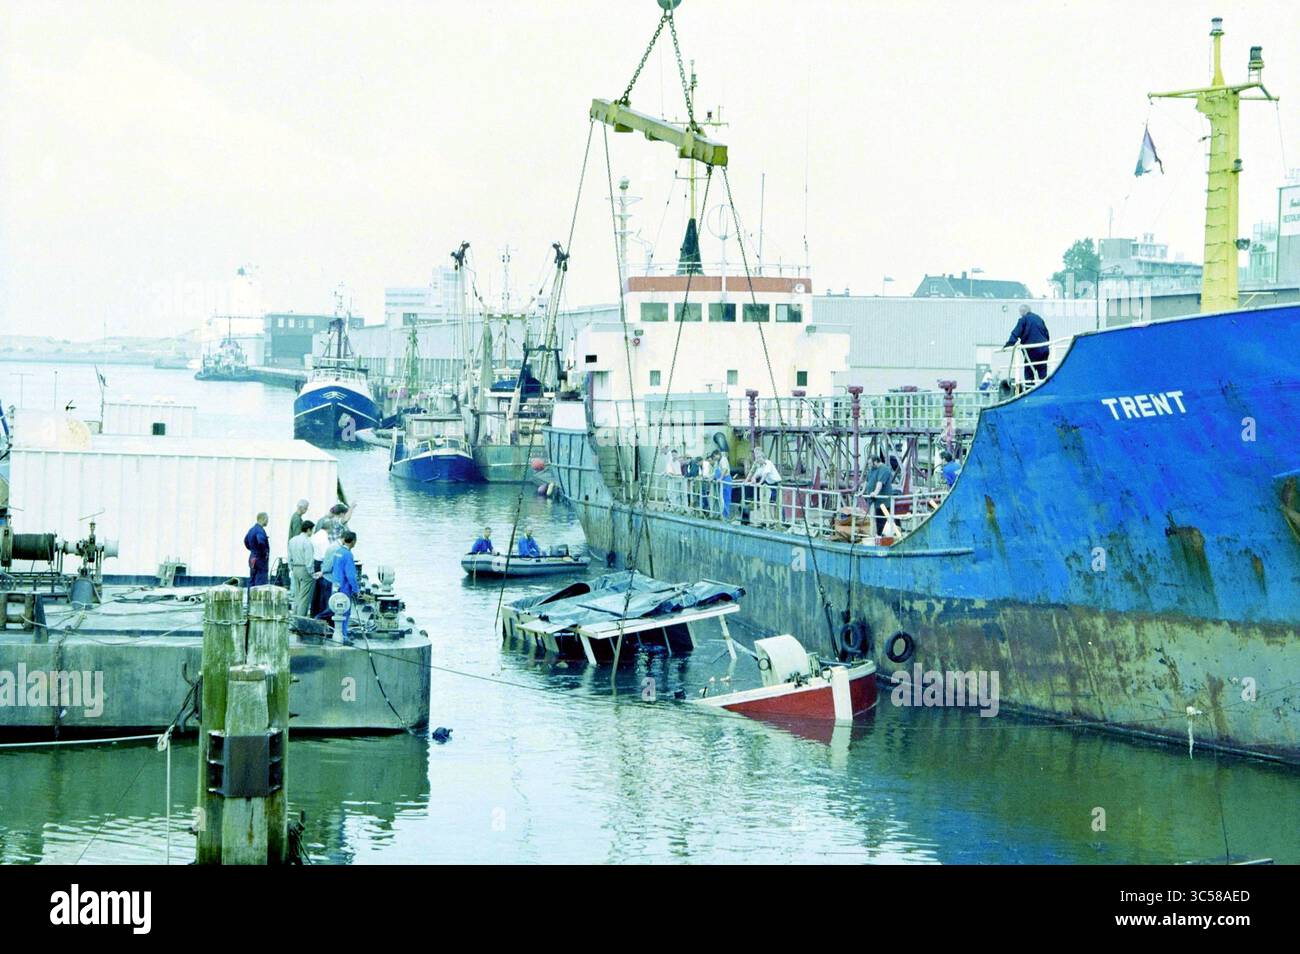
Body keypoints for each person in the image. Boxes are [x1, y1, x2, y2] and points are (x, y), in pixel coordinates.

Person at [1005, 304, 1051, 385]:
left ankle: (1029, 390)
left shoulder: (1024, 319)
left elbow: (1016, 333)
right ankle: (1044, 389)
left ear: (1023, 312)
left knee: (1029, 373)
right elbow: (1046, 333)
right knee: (1042, 372)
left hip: (1032, 350)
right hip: (1044, 349)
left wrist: (1009, 344)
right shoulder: (1039, 319)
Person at [331, 530, 360, 640]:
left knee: (336, 610)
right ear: (353, 541)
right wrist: (356, 589)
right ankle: (343, 635)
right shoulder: (348, 555)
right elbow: (351, 575)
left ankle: (337, 632)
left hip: (335, 585)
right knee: (344, 611)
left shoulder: (337, 551)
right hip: (344, 587)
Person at [287, 519, 315, 617]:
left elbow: (289, 557)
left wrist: (291, 568)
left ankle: (294, 617)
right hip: (304, 569)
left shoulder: (292, 540)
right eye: (312, 530)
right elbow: (309, 560)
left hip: (295, 569)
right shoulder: (307, 542)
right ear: (308, 530)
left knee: (297, 595)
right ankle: (300, 620)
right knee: (304, 597)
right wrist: (312, 573)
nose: (312, 532)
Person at [864, 456, 897, 536]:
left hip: (883, 502)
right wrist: (861, 492)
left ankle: (886, 537)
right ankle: (878, 536)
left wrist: (875, 493)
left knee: (884, 521)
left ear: (875, 462)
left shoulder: (884, 469)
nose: (869, 465)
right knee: (877, 520)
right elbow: (867, 481)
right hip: (875, 502)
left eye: (870, 464)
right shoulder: (872, 470)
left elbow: (880, 483)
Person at [748, 453, 782, 527]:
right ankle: (768, 520)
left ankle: (781, 521)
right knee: (765, 502)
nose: (757, 460)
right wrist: (753, 479)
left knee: (778, 503)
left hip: (776, 483)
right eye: (756, 458)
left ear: (763, 458)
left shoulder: (768, 463)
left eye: (758, 458)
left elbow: (765, 474)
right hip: (769, 484)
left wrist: (759, 483)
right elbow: (757, 474)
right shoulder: (761, 466)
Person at [309, 522, 332, 618]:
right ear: (329, 528)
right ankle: (322, 613)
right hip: (321, 564)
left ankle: (314, 612)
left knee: (316, 590)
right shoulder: (324, 539)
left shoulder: (315, 536)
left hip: (315, 562)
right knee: (324, 591)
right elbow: (325, 555)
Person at [243, 512, 270, 587]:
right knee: (260, 582)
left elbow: (245, 541)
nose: (268, 521)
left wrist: (252, 549)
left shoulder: (251, 530)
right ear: (263, 519)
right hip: (260, 560)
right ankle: (257, 599)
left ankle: (250, 597)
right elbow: (261, 541)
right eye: (267, 519)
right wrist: (264, 553)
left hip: (252, 557)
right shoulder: (260, 530)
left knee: (252, 579)